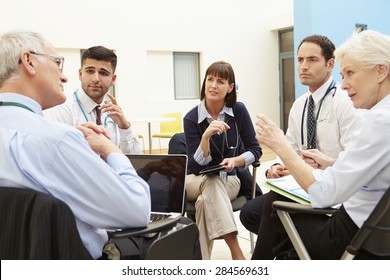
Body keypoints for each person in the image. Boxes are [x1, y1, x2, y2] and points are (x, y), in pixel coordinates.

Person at [0, 30, 151, 259]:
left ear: (113, 78)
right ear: (29, 61)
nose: (64, 77)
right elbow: (137, 210)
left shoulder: (68, 134)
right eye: (57, 64)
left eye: (103, 73)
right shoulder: (58, 138)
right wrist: (112, 150)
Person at [253, 30, 390, 259]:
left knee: (275, 203)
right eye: (300, 60)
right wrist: (331, 163)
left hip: (350, 235)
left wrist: (280, 145)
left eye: (350, 74)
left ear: (381, 71)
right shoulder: (302, 105)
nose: (344, 85)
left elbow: (326, 193)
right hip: (371, 231)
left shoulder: (376, 120)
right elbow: (372, 168)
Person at [240, 34, 361, 235]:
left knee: (274, 210)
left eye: (312, 60)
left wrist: (319, 166)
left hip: (331, 189)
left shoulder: (345, 102)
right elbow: (291, 147)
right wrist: (277, 167)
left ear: (330, 64)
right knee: (249, 213)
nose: (304, 66)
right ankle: (294, 252)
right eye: (300, 60)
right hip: (297, 186)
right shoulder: (300, 104)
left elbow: (352, 161)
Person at [183, 61, 262, 260]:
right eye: (210, 79)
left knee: (205, 200)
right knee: (209, 181)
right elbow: (193, 167)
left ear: (230, 88)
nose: (213, 85)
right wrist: (205, 138)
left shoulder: (239, 112)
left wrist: (236, 161)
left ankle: (200, 263)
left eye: (220, 81)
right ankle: (235, 249)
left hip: (229, 180)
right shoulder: (192, 118)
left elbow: (256, 150)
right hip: (194, 180)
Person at [43, 45, 141, 155]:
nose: (95, 79)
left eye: (103, 73)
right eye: (90, 71)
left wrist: (124, 127)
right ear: (80, 74)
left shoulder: (113, 114)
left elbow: (134, 159)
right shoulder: (61, 110)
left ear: (113, 79)